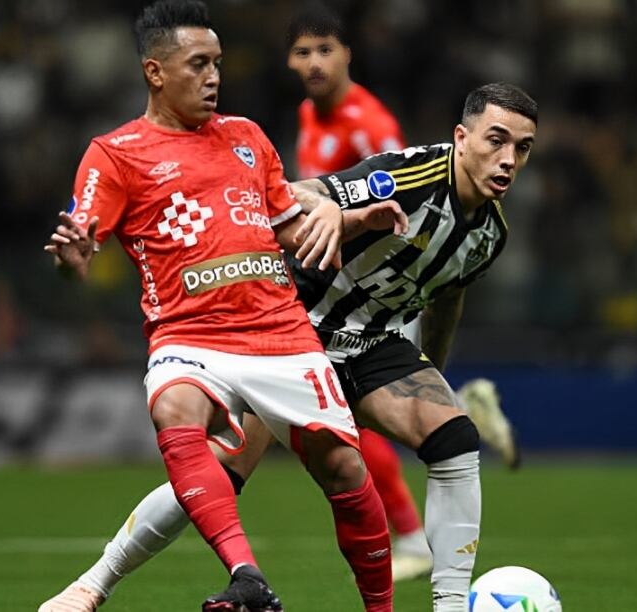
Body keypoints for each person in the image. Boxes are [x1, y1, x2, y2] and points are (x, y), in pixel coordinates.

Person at [41, 80, 538, 612]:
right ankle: (93, 584)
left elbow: (446, 298)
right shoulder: (411, 176)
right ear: (462, 138)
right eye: (495, 140)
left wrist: (429, 374)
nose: (507, 159)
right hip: (295, 329)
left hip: (373, 344)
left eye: (522, 148)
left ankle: (450, 605)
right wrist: (326, 207)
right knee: (222, 472)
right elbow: (293, 194)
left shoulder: (489, 233)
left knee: (455, 436)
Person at [39, 2, 395, 611]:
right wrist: (71, 259)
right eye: (198, 64)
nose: (214, 77)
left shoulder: (248, 138)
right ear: (155, 72)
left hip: (281, 333)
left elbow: (286, 224)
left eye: (218, 64)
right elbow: (82, 234)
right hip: (188, 331)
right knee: (176, 407)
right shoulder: (116, 152)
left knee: (344, 472)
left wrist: (356, 218)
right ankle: (247, 575)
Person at [286, 3, 520, 582]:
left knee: (396, 422)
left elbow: (407, 196)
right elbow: (302, 194)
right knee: (262, 449)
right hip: (320, 298)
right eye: (302, 52)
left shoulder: (369, 122)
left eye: (325, 51)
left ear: (347, 57)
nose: (314, 63)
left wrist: (350, 216)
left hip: (395, 282)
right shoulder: (310, 117)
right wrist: (327, 219)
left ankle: (414, 536)